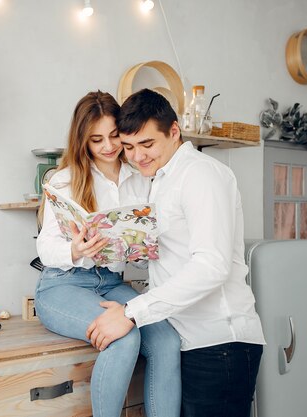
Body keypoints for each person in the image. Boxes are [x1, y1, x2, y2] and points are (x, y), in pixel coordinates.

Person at [86, 88, 266, 417]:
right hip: (189, 340)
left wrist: (130, 312)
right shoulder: (160, 180)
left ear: (174, 131)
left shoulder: (200, 174)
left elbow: (212, 266)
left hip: (219, 344)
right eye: (128, 147)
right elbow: (173, 254)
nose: (137, 156)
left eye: (147, 144)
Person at [35, 90, 181, 417]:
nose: (108, 147)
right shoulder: (66, 179)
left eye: (114, 136)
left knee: (167, 341)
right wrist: (75, 249)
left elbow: (143, 252)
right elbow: (45, 248)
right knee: (123, 337)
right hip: (63, 285)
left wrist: (139, 247)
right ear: (83, 141)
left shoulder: (140, 178)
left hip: (112, 281)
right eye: (96, 139)